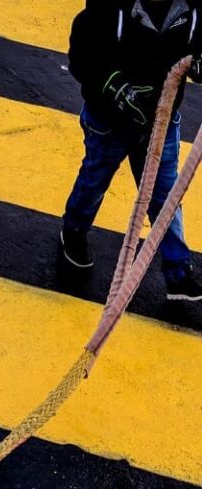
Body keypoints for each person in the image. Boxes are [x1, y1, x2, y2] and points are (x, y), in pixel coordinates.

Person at [61, 0, 202, 301]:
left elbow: (199, 36)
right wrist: (113, 88)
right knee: (94, 181)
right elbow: (82, 54)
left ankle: (177, 270)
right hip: (108, 121)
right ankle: (73, 230)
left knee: (165, 195)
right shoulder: (111, 7)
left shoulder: (189, 5)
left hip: (161, 120)